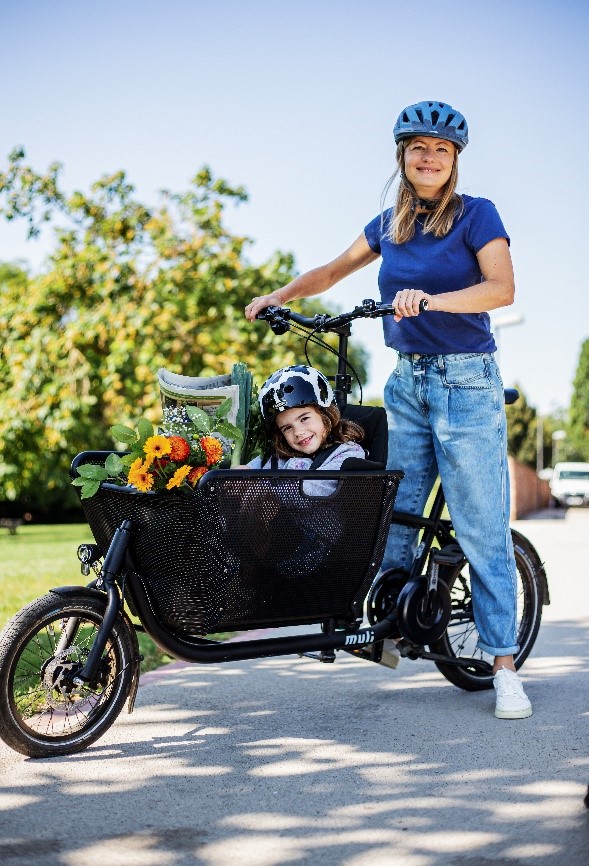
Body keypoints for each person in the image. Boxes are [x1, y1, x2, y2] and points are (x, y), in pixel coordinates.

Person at [245, 100, 532, 719]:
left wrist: (431, 299)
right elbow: (330, 270)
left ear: (454, 162)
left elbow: (501, 289)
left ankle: (504, 664)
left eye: (442, 151)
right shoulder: (389, 225)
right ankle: (390, 623)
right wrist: (281, 295)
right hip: (408, 384)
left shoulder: (478, 215)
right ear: (401, 156)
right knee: (393, 513)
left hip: (465, 383)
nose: (428, 159)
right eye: (418, 148)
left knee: (479, 524)